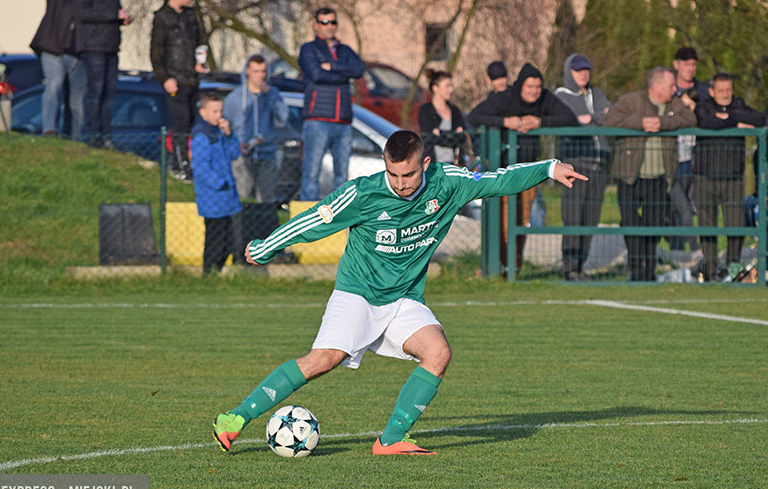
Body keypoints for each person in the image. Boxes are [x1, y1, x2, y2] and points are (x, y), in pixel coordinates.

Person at [212, 130, 587, 455]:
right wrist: (268, 246)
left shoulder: (448, 183)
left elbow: (495, 180)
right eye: (393, 173)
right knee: (322, 360)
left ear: (424, 163)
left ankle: (391, 439)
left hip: (405, 298)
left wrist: (549, 168)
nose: (400, 183)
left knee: (438, 352)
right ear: (383, 164)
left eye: (408, 174)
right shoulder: (364, 193)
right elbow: (316, 218)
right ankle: (235, 417)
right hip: (357, 293)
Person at [468, 62, 578, 273]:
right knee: (503, 222)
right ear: (520, 86)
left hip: (529, 172)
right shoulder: (505, 99)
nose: (534, 92)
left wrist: (539, 122)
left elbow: (570, 119)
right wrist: (506, 122)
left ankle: (513, 267)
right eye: (530, 87)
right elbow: (474, 116)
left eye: (537, 87)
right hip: (503, 172)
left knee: (522, 221)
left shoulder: (545, 98)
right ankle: (498, 266)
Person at [603, 67, 696, 281]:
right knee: (630, 223)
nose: (675, 89)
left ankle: (649, 268)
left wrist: (663, 123)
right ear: (657, 86)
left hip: (660, 179)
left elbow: (690, 119)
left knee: (653, 224)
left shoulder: (674, 104)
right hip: (629, 176)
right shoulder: (631, 101)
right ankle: (636, 269)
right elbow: (609, 121)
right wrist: (640, 123)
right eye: (672, 85)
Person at [693, 72, 764, 281]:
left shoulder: (738, 104)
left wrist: (730, 118)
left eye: (729, 90)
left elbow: (760, 119)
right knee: (707, 225)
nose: (726, 94)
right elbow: (706, 123)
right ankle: (711, 269)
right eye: (721, 90)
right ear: (712, 91)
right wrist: (735, 122)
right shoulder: (703, 106)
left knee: (735, 224)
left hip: (733, 176)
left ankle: (732, 269)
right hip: (705, 176)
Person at [298, 7, 366, 201]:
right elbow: (317, 74)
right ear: (316, 25)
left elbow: (360, 69)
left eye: (333, 22)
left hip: (343, 122)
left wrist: (334, 67)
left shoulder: (344, 50)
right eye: (324, 22)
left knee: (342, 178)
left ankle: (338, 221)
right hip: (318, 120)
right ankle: (308, 223)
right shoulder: (308, 49)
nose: (329, 26)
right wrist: (345, 75)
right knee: (311, 174)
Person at [553, 54, 611, 280]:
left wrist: (592, 118)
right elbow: (570, 121)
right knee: (574, 218)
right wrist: (593, 118)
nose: (584, 74)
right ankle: (569, 268)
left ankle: (581, 267)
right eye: (578, 70)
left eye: (586, 69)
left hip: (599, 165)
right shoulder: (562, 95)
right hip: (576, 164)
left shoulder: (597, 94)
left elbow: (609, 115)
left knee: (591, 219)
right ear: (569, 72)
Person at [151, 0, 207, 183]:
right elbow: (156, 53)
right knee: (180, 122)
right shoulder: (162, 18)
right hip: (175, 80)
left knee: (191, 120)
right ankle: (179, 165)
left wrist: (200, 62)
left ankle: (188, 163)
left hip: (192, 79)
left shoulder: (191, 15)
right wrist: (165, 78)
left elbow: (200, 42)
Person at [223, 54, 289, 202]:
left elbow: (283, 117)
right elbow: (225, 126)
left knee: (265, 201)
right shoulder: (235, 97)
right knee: (243, 199)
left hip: (267, 155)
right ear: (247, 71)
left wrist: (269, 93)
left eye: (263, 71)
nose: (259, 76)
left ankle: (265, 225)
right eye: (255, 71)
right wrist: (235, 143)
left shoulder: (272, 93)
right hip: (242, 157)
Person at [190, 94, 242, 274]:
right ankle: (209, 271)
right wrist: (220, 183)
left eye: (220, 111)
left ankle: (216, 270)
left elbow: (234, 154)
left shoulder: (219, 133)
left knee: (228, 238)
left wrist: (229, 134)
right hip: (213, 196)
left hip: (227, 196)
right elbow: (200, 167)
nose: (219, 115)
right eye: (214, 111)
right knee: (215, 238)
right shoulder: (202, 136)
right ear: (203, 113)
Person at [72, 0, 133, 148]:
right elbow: (82, 13)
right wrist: (114, 15)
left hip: (111, 47)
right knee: (96, 92)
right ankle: (94, 135)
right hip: (93, 46)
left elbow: (108, 16)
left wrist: (122, 19)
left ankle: (106, 135)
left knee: (109, 94)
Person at [670, 46, 709, 252]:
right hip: (671, 162)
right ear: (677, 65)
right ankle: (691, 251)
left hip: (693, 162)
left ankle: (681, 253)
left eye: (694, 64)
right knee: (679, 208)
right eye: (686, 64)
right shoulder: (669, 89)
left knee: (689, 209)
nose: (690, 68)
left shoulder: (703, 92)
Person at [30, 0, 86, 141]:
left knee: (77, 98)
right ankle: (49, 129)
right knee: (54, 85)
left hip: (78, 52)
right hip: (53, 48)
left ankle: (75, 135)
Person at [417, 69, 468, 165]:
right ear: (435, 88)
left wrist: (440, 134)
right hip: (434, 165)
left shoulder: (455, 111)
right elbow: (429, 137)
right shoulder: (425, 110)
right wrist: (452, 135)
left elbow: (462, 137)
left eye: (451, 86)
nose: (451, 89)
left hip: (455, 165)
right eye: (447, 86)